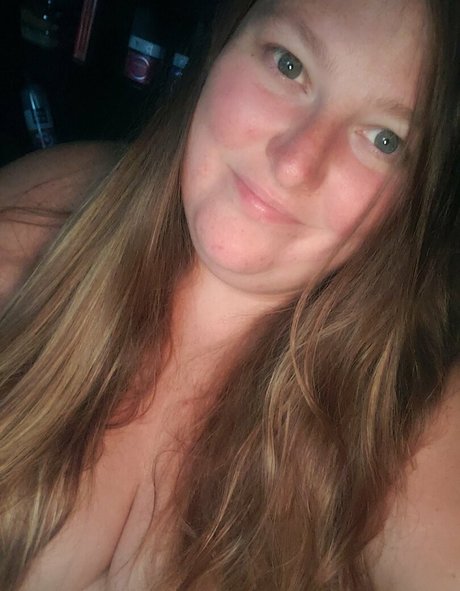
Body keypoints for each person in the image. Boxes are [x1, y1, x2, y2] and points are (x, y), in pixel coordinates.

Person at [0, 0, 458, 589]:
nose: (295, 163)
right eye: (289, 64)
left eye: (385, 140)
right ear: (223, 44)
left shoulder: (411, 416)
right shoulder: (56, 203)